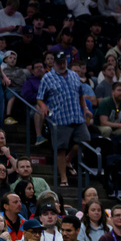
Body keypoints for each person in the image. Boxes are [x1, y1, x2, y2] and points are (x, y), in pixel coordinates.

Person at [36, 51, 90, 187]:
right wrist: (42, 106)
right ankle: (63, 178)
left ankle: (68, 160)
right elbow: (39, 97)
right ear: (54, 63)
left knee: (85, 140)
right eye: (59, 62)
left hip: (76, 115)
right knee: (61, 148)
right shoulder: (47, 78)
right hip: (59, 118)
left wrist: (86, 109)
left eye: (64, 62)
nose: (61, 64)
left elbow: (81, 95)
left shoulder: (74, 76)